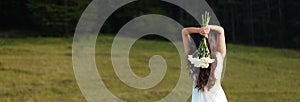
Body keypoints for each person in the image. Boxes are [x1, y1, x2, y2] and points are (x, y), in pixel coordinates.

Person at [181, 25, 227, 102]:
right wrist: (208, 27)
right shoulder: (218, 57)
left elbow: (184, 32)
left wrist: (199, 30)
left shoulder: (192, 58)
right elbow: (221, 30)